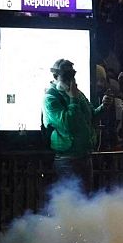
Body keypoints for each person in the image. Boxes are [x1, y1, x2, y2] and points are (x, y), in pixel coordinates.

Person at [43, 59, 113, 192]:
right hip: (67, 159)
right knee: (71, 199)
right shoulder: (50, 98)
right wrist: (73, 99)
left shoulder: (77, 93)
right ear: (55, 76)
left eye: (72, 75)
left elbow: (91, 116)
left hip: (84, 156)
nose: (70, 80)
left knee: (85, 198)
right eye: (66, 76)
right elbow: (67, 124)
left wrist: (104, 106)